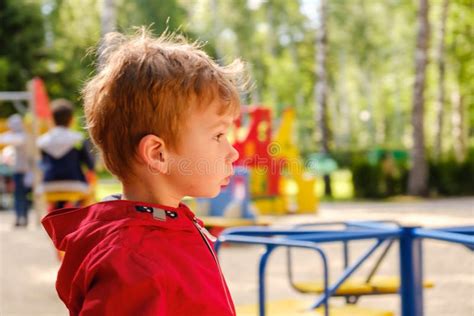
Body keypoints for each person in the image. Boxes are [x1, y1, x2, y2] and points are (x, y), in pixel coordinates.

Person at [42, 29, 245, 316]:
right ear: (158, 154)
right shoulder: (130, 261)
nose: (232, 152)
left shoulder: (166, 227)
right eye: (218, 135)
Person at [37, 99, 95, 209]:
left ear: (52, 119)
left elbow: (41, 164)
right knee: (86, 195)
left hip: (48, 184)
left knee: (55, 201)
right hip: (75, 183)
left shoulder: (42, 141)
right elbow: (90, 165)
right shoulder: (78, 139)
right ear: (71, 119)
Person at [0, 114, 31, 227]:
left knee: (20, 196)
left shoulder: (21, 137)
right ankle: (21, 218)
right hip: (21, 171)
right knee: (21, 196)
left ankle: (21, 218)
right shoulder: (23, 135)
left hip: (23, 171)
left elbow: (6, 138)